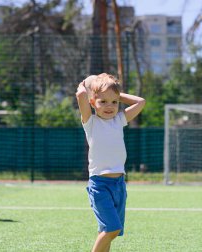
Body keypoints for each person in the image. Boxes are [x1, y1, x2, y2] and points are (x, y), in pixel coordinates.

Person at [76, 73, 145, 252]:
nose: (110, 106)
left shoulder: (119, 120)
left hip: (119, 185)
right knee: (112, 229)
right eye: (103, 101)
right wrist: (85, 83)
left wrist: (115, 93)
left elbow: (141, 102)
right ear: (93, 102)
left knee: (106, 232)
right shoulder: (90, 122)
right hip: (100, 185)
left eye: (114, 102)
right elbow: (80, 95)